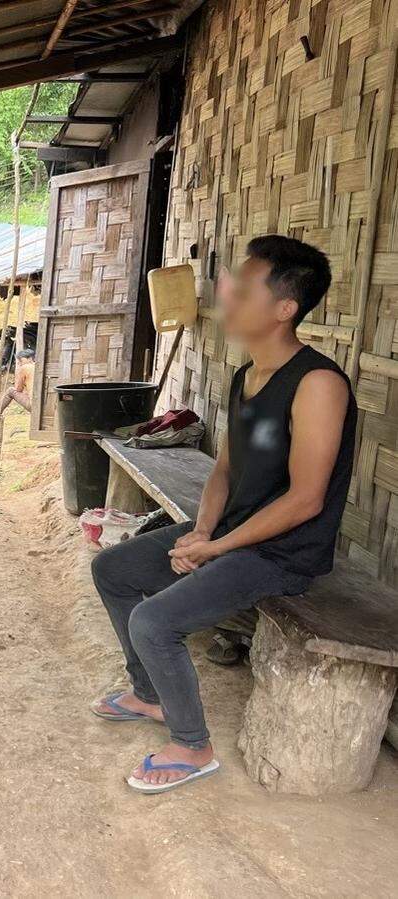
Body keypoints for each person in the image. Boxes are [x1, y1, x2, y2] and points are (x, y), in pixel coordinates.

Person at [89, 235, 356, 793]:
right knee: (113, 570)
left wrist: (214, 549)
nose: (228, 295)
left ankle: (193, 746)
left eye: (244, 287)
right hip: (231, 535)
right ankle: (151, 695)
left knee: (154, 621)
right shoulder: (244, 377)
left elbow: (307, 499)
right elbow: (225, 472)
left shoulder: (318, 385)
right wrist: (203, 531)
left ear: (284, 309)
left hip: (285, 553)